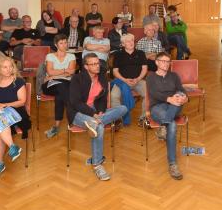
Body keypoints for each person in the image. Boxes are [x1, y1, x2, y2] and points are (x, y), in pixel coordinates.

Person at [68, 53, 128, 181]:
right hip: (77, 113)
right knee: (99, 128)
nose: (97, 66)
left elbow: (101, 99)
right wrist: (93, 114)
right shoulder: (77, 79)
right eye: (93, 64)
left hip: (95, 112)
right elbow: (75, 102)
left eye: (98, 63)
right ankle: (97, 165)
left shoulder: (102, 77)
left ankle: (93, 122)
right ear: (86, 66)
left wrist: (100, 111)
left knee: (123, 108)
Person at [0, 57, 30, 181]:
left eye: (10, 66)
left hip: (16, 112)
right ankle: (12, 147)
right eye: (5, 67)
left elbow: (22, 102)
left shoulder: (18, 81)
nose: (8, 69)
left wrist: (6, 105)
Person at [146, 52, 187, 180]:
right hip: (157, 107)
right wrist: (169, 98)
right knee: (173, 125)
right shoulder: (151, 77)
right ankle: (173, 164)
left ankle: (164, 125)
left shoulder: (174, 76)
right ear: (157, 62)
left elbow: (182, 89)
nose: (166, 64)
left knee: (179, 96)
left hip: (174, 107)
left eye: (168, 61)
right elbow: (154, 93)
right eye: (163, 61)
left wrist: (184, 98)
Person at [42, 34, 76, 139]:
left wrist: (55, 73)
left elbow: (71, 72)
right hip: (50, 84)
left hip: (64, 84)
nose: (64, 45)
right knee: (63, 88)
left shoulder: (71, 56)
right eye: (61, 43)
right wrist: (65, 70)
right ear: (56, 45)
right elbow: (49, 71)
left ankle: (56, 126)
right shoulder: (50, 56)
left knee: (60, 94)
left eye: (65, 42)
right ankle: (73, 119)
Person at [110, 34, 148, 124]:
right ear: (123, 44)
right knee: (113, 96)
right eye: (128, 41)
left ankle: (143, 118)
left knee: (148, 95)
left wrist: (138, 79)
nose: (131, 42)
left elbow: (144, 69)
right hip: (122, 81)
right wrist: (124, 80)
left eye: (132, 40)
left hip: (138, 81)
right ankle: (118, 119)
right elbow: (115, 71)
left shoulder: (141, 53)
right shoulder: (118, 55)